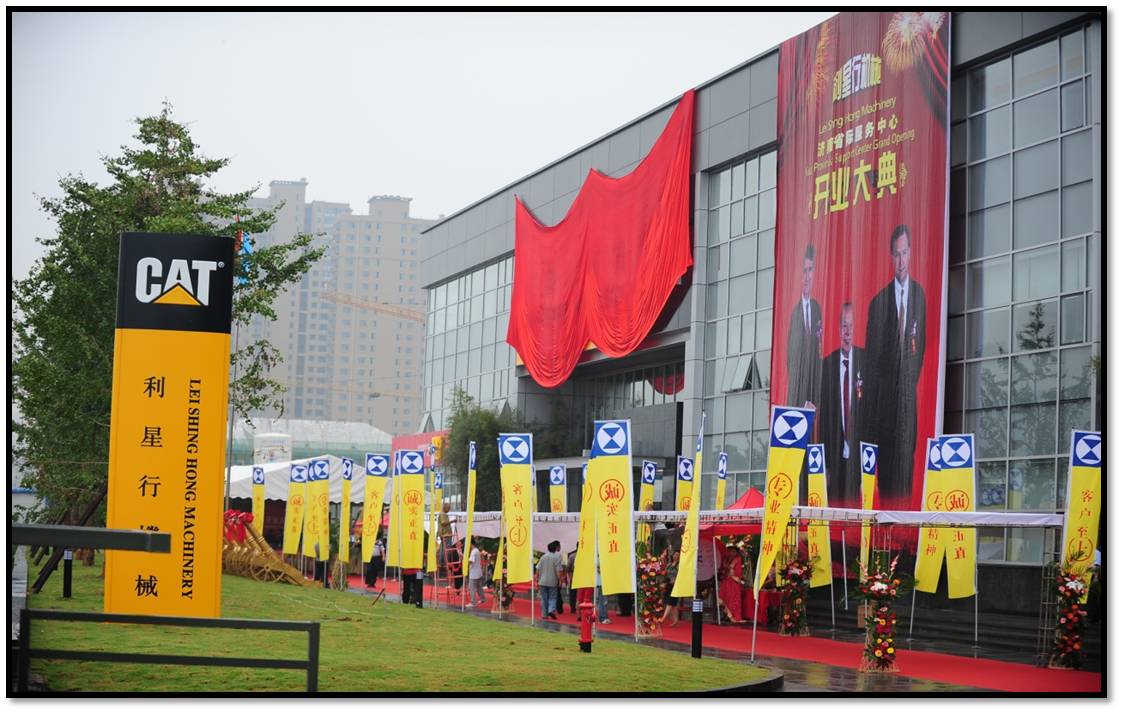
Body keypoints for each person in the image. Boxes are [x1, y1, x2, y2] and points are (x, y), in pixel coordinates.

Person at [864, 224, 926, 505]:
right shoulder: (878, 303)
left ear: (910, 253)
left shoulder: (919, 296)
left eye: (905, 253)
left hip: (907, 407)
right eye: (896, 255)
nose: (901, 261)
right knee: (888, 483)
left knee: (906, 478)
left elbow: (919, 350)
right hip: (884, 412)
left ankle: (905, 527)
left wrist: (905, 387)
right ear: (891, 257)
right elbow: (871, 362)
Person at [818, 302, 867, 507]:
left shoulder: (866, 361)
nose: (847, 332)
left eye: (851, 326)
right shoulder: (827, 365)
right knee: (834, 511)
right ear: (839, 329)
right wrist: (825, 465)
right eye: (844, 326)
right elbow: (824, 419)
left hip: (859, 457)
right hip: (835, 458)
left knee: (858, 512)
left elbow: (872, 414)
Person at [786, 243, 823, 412]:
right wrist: (802, 400)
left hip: (814, 397)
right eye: (804, 271)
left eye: (810, 270)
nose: (807, 276)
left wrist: (815, 398)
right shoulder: (795, 314)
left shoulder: (816, 309)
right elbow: (792, 364)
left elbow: (819, 353)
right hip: (799, 401)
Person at [536, 540, 564, 620]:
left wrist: (537, 579)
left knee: (544, 598)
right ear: (555, 548)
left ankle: (544, 614)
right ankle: (551, 610)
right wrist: (560, 580)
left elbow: (537, 569)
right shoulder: (557, 557)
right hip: (552, 581)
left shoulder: (543, 557)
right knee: (552, 597)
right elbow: (558, 571)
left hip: (542, 581)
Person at [466, 538, 486, 608]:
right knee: (479, 587)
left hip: (474, 574)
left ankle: (473, 602)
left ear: (470, 544)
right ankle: (483, 599)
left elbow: (471, 561)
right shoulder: (476, 550)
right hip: (478, 572)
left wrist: (465, 561)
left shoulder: (473, 551)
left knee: (472, 588)